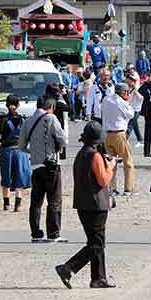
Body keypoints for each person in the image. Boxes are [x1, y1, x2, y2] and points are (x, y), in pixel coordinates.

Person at [55, 121, 117, 289]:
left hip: (83, 204)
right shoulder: (94, 155)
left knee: (95, 242)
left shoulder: (82, 154)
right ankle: (68, 268)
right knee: (97, 244)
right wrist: (111, 166)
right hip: (95, 205)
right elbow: (103, 179)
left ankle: (99, 278)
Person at [20, 96, 68, 242]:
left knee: (36, 200)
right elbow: (63, 139)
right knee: (54, 199)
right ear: (50, 107)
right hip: (51, 164)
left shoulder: (28, 121)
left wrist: (34, 152)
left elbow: (21, 146)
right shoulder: (51, 118)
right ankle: (53, 233)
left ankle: (36, 233)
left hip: (35, 165)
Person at [0, 95, 31, 212]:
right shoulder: (23, 119)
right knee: (20, 175)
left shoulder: (1, 120)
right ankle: (17, 204)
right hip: (21, 151)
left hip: (6, 150)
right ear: (18, 105)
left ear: (6, 105)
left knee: (6, 176)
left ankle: (6, 203)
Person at [102, 83, 135, 195]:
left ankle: (112, 188)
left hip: (107, 135)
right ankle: (128, 189)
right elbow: (131, 114)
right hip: (119, 134)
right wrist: (127, 102)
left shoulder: (106, 100)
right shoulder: (121, 102)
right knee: (128, 162)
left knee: (111, 163)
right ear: (124, 93)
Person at [125, 74, 144, 149]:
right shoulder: (128, 88)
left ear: (134, 82)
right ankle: (140, 140)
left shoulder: (138, 88)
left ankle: (124, 140)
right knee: (135, 125)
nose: (128, 83)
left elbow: (141, 99)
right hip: (130, 109)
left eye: (130, 81)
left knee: (130, 126)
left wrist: (137, 93)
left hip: (136, 110)